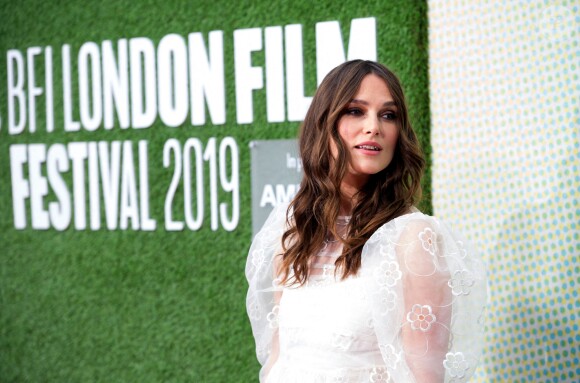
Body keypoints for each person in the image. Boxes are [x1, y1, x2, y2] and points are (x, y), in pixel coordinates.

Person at [246, 60, 486, 383]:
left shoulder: (412, 238)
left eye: (388, 115)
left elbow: (426, 377)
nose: (374, 126)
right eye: (356, 111)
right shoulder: (294, 228)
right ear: (324, 122)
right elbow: (279, 360)